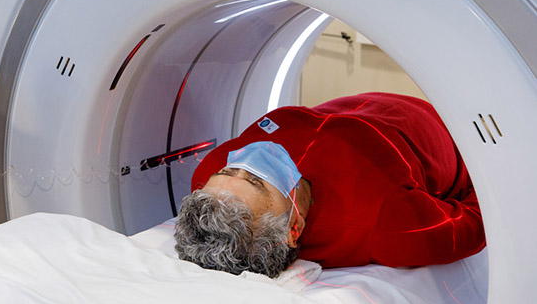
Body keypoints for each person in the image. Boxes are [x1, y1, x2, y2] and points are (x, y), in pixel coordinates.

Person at [174, 92, 485, 277]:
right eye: (258, 180)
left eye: (228, 172)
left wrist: (231, 175)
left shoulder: (211, 176)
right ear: (293, 227)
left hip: (352, 104)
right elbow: (487, 212)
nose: (245, 161)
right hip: (445, 124)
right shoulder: (388, 225)